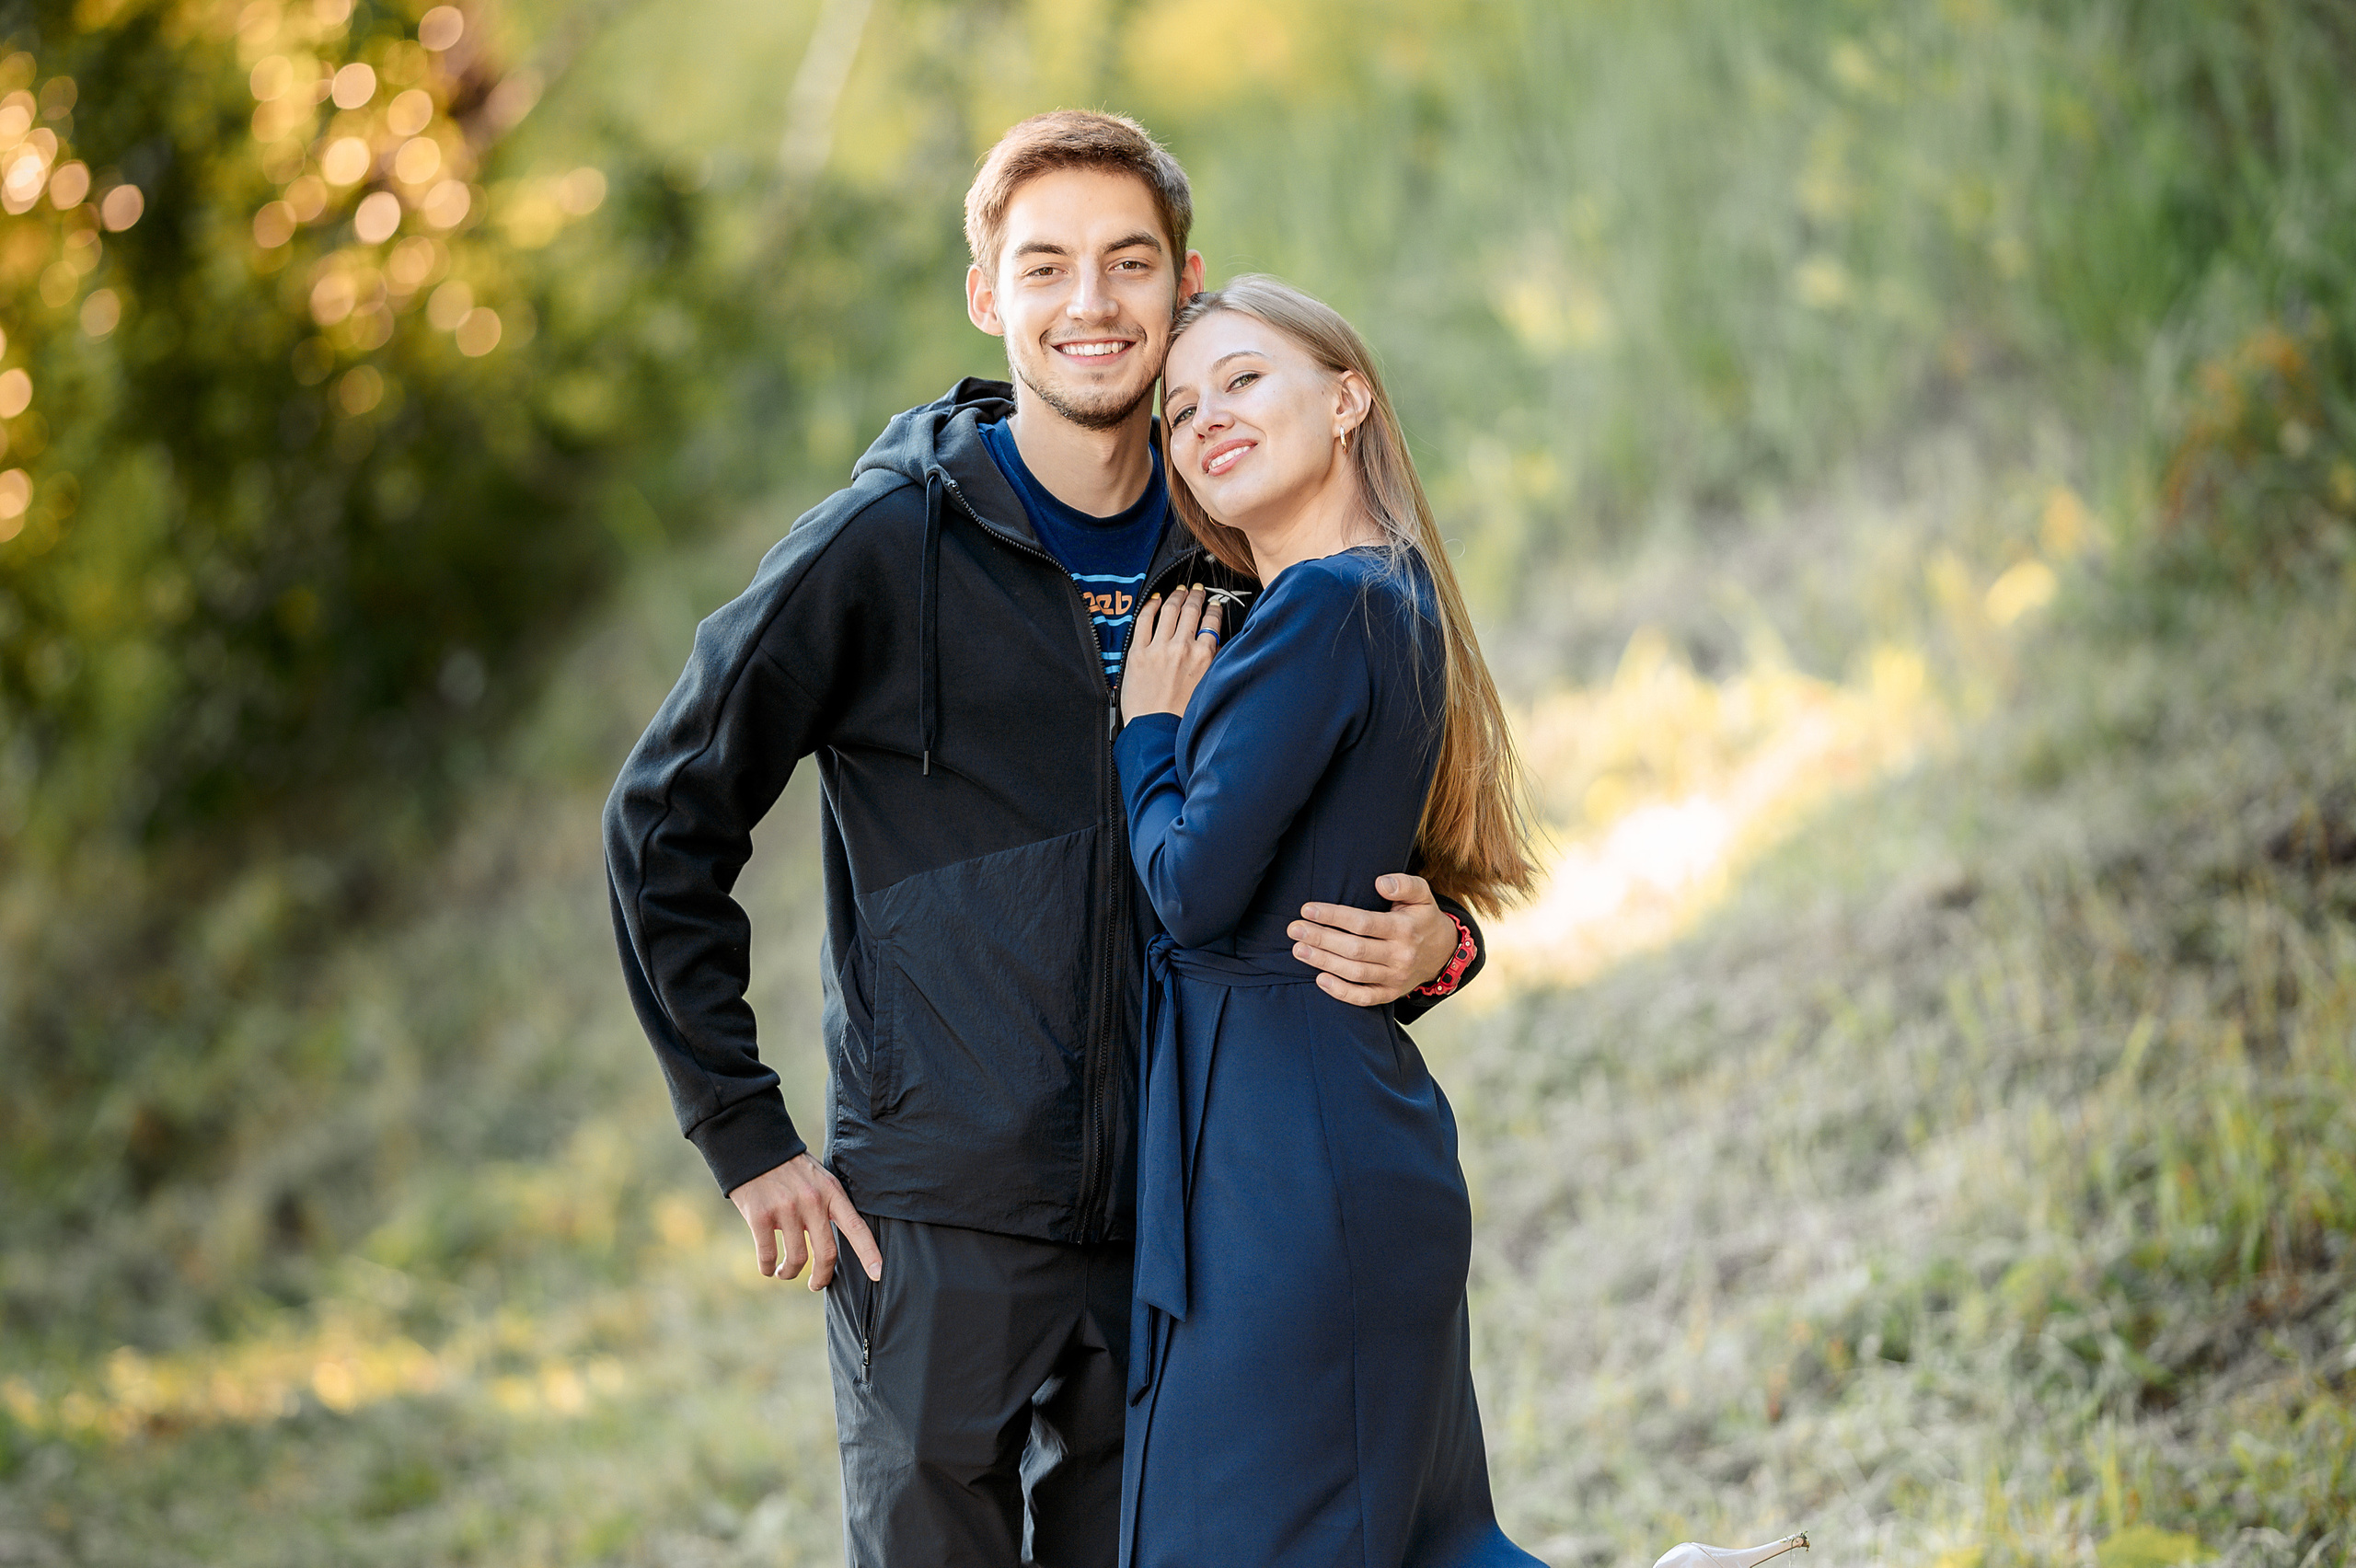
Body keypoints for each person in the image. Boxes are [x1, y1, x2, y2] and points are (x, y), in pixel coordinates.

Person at [602, 113, 1489, 1567]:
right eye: (1047, 266)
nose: (1091, 304)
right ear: (986, 296)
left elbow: (1384, 826)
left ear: (1182, 285)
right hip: (937, 1218)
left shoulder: (1242, 543)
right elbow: (665, 814)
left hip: (1183, 1226)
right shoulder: (881, 547)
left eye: (1129, 264)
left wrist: (1443, 945)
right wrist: (742, 1133)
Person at [1112, 276, 1544, 1566]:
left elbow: (1190, 889)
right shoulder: (1382, 597)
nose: (1205, 422)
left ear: (1347, 396)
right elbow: (1370, 877)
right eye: (1181, 410)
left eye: (1243, 379)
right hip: (1315, 1141)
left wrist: (1146, 732)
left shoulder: (1323, 606)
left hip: (1280, 1172)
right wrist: (1448, 943)